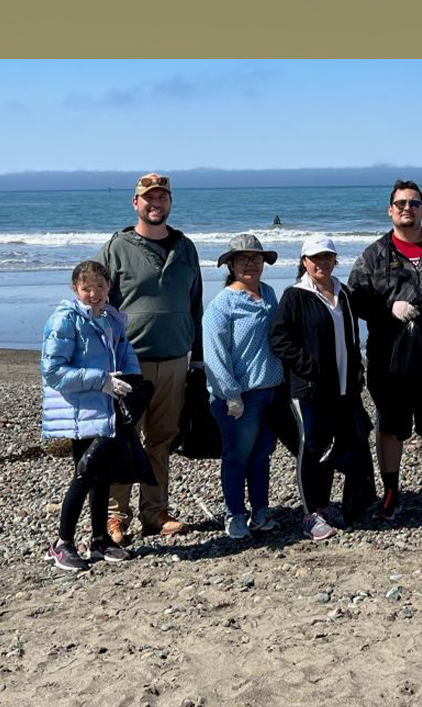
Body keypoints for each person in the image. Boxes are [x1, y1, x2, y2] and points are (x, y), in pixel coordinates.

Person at [348, 181, 422, 522]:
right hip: (390, 360)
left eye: (414, 203)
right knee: (390, 426)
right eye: (400, 203)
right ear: (390, 210)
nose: (407, 208)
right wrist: (388, 308)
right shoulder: (374, 255)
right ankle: (390, 494)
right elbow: (354, 300)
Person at [96, 173, 203, 543]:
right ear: (135, 203)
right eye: (148, 199)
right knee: (124, 438)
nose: (155, 204)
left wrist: (198, 358)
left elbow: (195, 305)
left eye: (162, 198)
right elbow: (96, 301)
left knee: (162, 439)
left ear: (170, 201)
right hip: (129, 362)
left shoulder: (186, 247)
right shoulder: (116, 247)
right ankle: (115, 517)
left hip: (175, 358)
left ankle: (155, 511)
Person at [41, 260, 142, 570]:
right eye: (87, 288)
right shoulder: (65, 320)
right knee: (84, 475)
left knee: (102, 476)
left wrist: (133, 379)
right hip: (80, 412)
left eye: (100, 287)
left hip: (109, 409)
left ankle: (100, 541)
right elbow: (54, 371)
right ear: (75, 289)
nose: (94, 293)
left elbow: (125, 352)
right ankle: (62, 544)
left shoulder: (112, 320)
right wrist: (102, 380)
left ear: (108, 288)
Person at [269, 236, 366, 540]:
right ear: (304, 262)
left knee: (340, 444)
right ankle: (311, 514)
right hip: (308, 390)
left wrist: (357, 369)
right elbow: (279, 338)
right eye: (315, 258)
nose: (322, 263)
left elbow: (351, 337)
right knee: (311, 446)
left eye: (327, 257)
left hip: (343, 388)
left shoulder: (343, 292)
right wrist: (308, 367)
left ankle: (337, 507)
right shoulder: (295, 296)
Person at [203, 233, 283, 540]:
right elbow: (214, 353)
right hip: (238, 396)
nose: (250, 264)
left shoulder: (270, 294)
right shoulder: (222, 304)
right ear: (231, 265)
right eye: (242, 259)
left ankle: (260, 512)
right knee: (236, 456)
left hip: (271, 392)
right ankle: (234, 515)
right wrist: (230, 394)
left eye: (256, 258)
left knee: (262, 455)